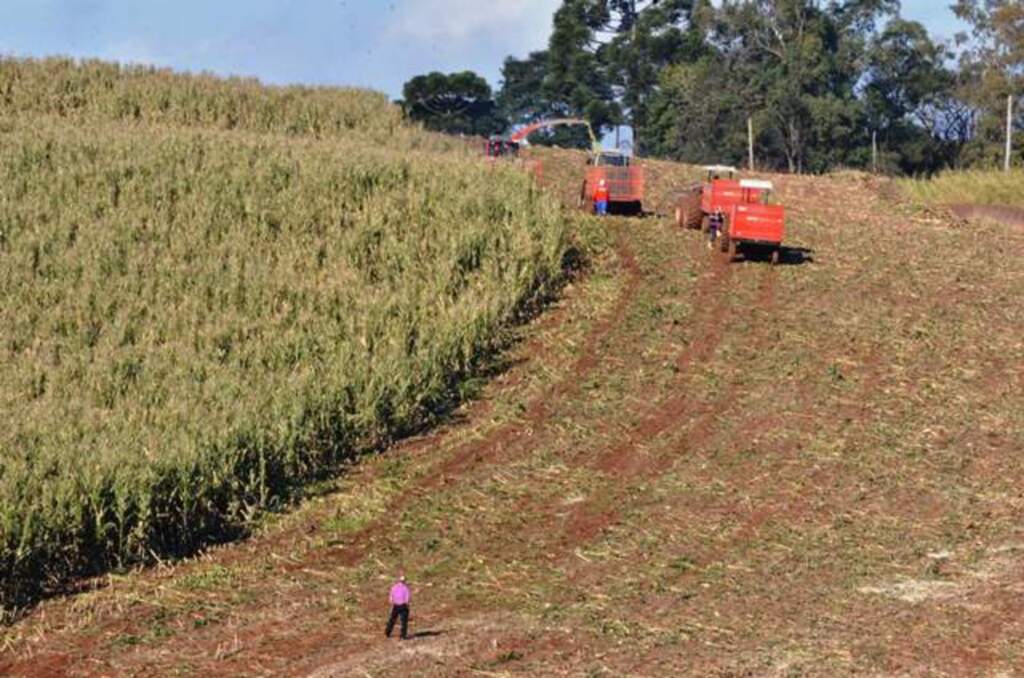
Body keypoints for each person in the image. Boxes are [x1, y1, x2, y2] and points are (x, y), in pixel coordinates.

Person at [385, 574, 411, 640]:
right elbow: (407, 599)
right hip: (403, 605)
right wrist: (407, 605)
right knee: (404, 621)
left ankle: (387, 632)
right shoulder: (406, 588)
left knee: (392, 619)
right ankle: (403, 635)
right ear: (404, 581)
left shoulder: (394, 587)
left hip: (396, 605)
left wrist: (392, 602)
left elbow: (391, 597)